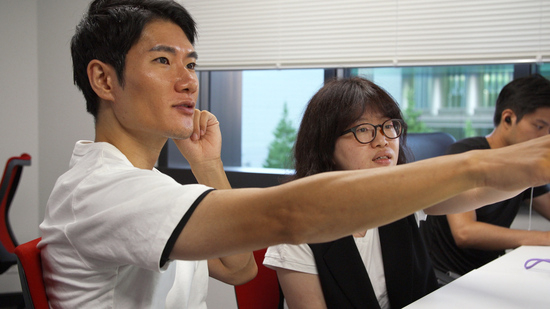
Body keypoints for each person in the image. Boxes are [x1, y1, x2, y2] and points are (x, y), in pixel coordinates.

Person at [38, 0, 550, 308]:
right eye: (162, 60)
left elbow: (238, 269)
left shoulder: (155, 188)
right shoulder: (102, 191)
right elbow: (288, 214)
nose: (188, 78)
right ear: (105, 79)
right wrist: (486, 160)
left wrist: (208, 165)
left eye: (192, 62)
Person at [263, 77, 437, 309]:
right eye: (363, 129)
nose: (382, 140)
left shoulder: (403, 198)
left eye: (388, 125)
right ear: (326, 146)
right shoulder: (297, 228)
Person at [420, 74, 550, 278]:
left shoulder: (527, 165)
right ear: (508, 118)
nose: (546, 138)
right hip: (447, 276)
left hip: (490, 271)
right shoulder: (467, 155)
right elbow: (465, 232)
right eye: (540, 126)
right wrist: (543, 238)